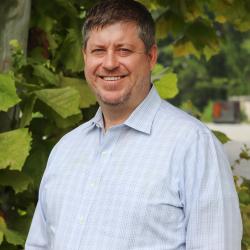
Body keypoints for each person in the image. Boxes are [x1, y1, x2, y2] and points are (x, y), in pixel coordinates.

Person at [25, 0, 242, 249]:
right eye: (98, 50)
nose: (109, 63)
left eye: (124, 50)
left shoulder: (193, 145)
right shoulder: (65, 149)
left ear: (151, 57)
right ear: (85, 57)